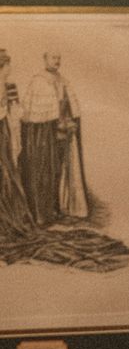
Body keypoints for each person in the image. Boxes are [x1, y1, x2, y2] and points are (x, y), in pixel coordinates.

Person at [20, 51, 89, 228]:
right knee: (45, 171)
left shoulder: (63, 80)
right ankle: (42, 214)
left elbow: (67, 108)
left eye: (59, 58)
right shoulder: (38, 81)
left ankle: (57, 208)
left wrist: (70, 122)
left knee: (59, 172)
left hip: (61, 135)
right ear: (45, 59)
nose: (57, 61)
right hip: (45, 139)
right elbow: (36, 117)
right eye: (53, 58)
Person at [0, 50, 33, 248]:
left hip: (3, 131)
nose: (10, 68)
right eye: (7, 64)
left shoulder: (10, 86)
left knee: (7, 173)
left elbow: (16, 111)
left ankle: (7, 219)